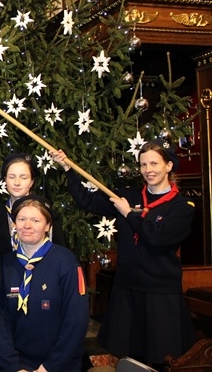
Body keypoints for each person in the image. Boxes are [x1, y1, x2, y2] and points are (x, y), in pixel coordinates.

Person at [51, 139, 195, 367]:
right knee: (129, 357)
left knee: (161, 358)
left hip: (159, 293)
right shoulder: (129, 196)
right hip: (127, 288)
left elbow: (157, 237)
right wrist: (68, 169)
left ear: (169, 166)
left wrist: (129, 214)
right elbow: (88, 201)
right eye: (143, 164)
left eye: (154, 163)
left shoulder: (182, 206)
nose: (148, 170)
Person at [0, 195, 89, 372]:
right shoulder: (5, 264)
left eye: (35, 220)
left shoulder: (66, 262)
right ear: (14, 224)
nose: (27, 225)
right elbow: (0, 320)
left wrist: (49, 367)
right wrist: (13, 365)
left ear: (47, 225)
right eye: (22, 219)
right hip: (19, 364)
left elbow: (76, 321)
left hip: (59, 364)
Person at [0, 153, 66, 255]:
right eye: (12, 177)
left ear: (32, 181)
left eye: (23, 177)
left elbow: (59, 251)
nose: (17, 183)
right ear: (5, 179)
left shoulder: (44, 211)